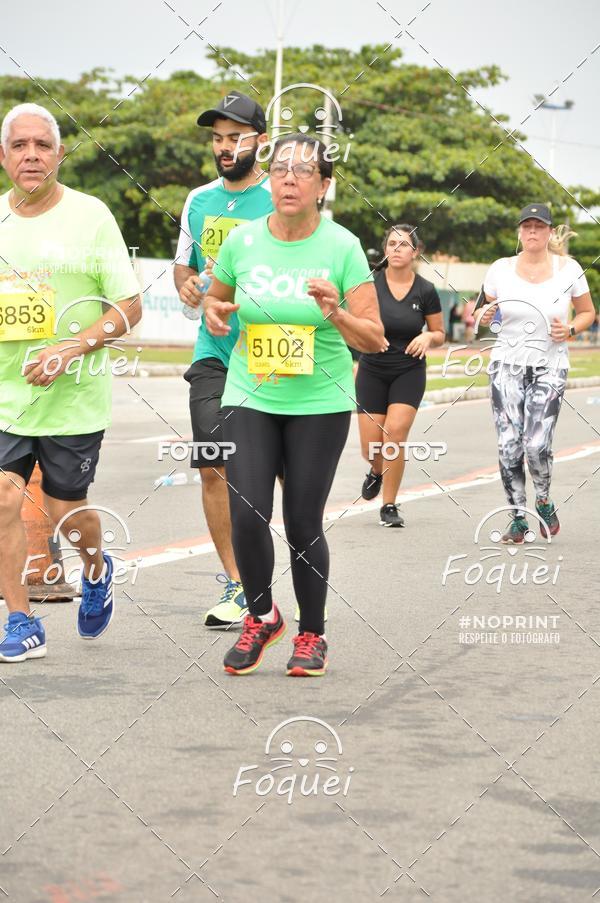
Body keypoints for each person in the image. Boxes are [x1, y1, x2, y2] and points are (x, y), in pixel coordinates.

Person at [203, 133, 385, 677]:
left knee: (303, 521)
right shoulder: (242, 241)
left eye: (304, 171)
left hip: (319, 400)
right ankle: (261, 616)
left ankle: (312, 633)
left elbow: (374, 338)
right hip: (249, 392)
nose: (289, 178)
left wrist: (336, 313)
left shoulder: (342, 247)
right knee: (246, 511)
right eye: (281, 167)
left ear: (323, 185)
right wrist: (214, 312)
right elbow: (217, 297)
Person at [0, 103, 142, 661]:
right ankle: (21, 619)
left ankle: (96, 569)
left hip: (73, 398)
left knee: (66, 512)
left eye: (43, 145)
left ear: (59, 154)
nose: (31, 155)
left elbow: (128, 307)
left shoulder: (91, 217)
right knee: (2, 500)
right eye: (20, 145)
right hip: (6, 397)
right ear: (3, 156)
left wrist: (70, 348)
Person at [174, 91, 273, 628]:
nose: (225, 147)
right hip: (214, 352)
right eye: (217, 138)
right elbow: (184, 265)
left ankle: (289, 571)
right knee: (215, 464)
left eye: (236, 137)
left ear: (261, 141)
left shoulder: (281, 198)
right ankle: (239, 585)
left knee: (271, 475)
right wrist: (189, 285)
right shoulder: (199, 200)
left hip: (271, 354)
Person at [480, 203, 595, 542]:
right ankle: (518, 517)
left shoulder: (569, 268)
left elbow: (588, 312)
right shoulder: (500, 269)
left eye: (539, 226)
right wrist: (487, 317)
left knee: (536, 444)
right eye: (527, 226)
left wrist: (570, 329)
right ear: (520, 231)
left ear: (548, 232)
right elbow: (490, 315)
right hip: (506, 365)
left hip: (550, 366)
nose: (532, 231)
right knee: (508, 445)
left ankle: (543, 499)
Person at [356, 224, 445, 526]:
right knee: (370, 447)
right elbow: (356, 324)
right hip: (372, 369)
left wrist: (428, 337)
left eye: (404, 244)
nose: (397, 249)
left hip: (409, 369)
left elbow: (439, 333)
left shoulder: (426, 290)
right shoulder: (369, 285)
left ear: (416, 252)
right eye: (392, 244)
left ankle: (389, 505)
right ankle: (376, 471)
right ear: (385, 250)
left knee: (394, 434)